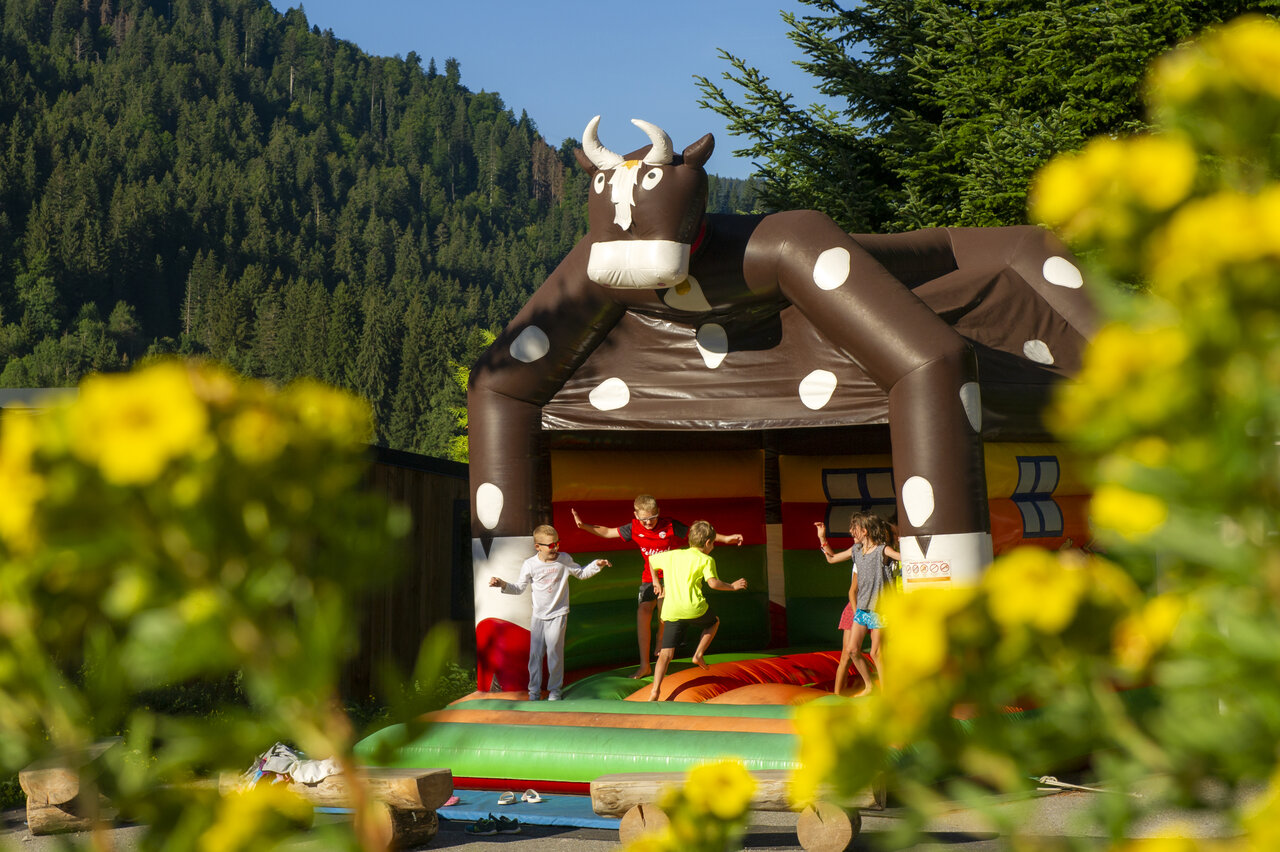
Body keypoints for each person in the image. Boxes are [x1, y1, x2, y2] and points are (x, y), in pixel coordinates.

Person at [572, 495, 743, 678]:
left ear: (658, 512)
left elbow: (699, 536)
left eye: (652, 518)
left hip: (671, 578)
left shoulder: (669, 526)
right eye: (644, 519)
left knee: (663, 608)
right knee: (643, 612)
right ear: (636, 515)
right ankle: (644, 665)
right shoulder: (634, 528)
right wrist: (583, 526)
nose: (648, 522)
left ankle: (661, 641)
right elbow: (607, 532)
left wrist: (726, 539)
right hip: (650, 577)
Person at [489, 525, 610, 701]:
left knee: (554, 653)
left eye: (557, 543)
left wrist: (596, 565)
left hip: (558, 613)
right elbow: (519, 588)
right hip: (539, 616)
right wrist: (502, 584)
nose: (555, 548)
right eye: (551, 545)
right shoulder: (530, 565)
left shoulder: (564, 560)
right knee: (535, 655)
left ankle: (555, 690)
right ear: (538, 546)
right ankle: (534, 692)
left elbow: (581, 573)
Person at [645, 520, 748, 701]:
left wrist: (656, 582)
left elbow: (651, 561)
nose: (713, 547)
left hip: (672, 609)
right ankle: (698, 654)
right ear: (707, 543)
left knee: (666, 653)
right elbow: (713, 583)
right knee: (714, 622)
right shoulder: (706, 559)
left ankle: (655, 691)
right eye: (713, 544)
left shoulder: (672, 555)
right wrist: (732, 586)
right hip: (694, 607)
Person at [815, 512, 900, 696]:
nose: (850, 532)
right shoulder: (856, 550)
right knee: (852, 650)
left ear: (864, 530)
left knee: (876, 653)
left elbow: (902, 557)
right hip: (862, 609)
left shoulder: (882, 550)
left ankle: (886, 693)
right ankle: (869, 685)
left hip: (879, 609)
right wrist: (822, 538)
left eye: (854, 529)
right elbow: (831, 558)